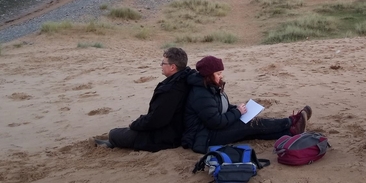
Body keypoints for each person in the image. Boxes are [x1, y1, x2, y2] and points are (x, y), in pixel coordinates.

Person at [182, 55, 312, 154]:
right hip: (204, 137)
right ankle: (290, 122)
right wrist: (238, 112)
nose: (221, 76)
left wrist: (237, 109)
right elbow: (215, 121)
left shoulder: (209, 87)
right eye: (218, 73)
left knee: (251, 130)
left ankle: (290, 132)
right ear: (208, 76)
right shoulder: (201, 94)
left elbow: (219, 108)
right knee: (249, 125)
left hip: (210, 131)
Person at [94, 47, 196, 152]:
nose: (161, 65)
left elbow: (157, 120)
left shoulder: (171, 89)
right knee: (123, 132)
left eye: (163, 63)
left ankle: (114, 141)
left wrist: (135, 124)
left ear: (172, 67)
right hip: (178, 130)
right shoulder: (187, 77)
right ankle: (115, 141)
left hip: (167, 137)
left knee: (114, 133)